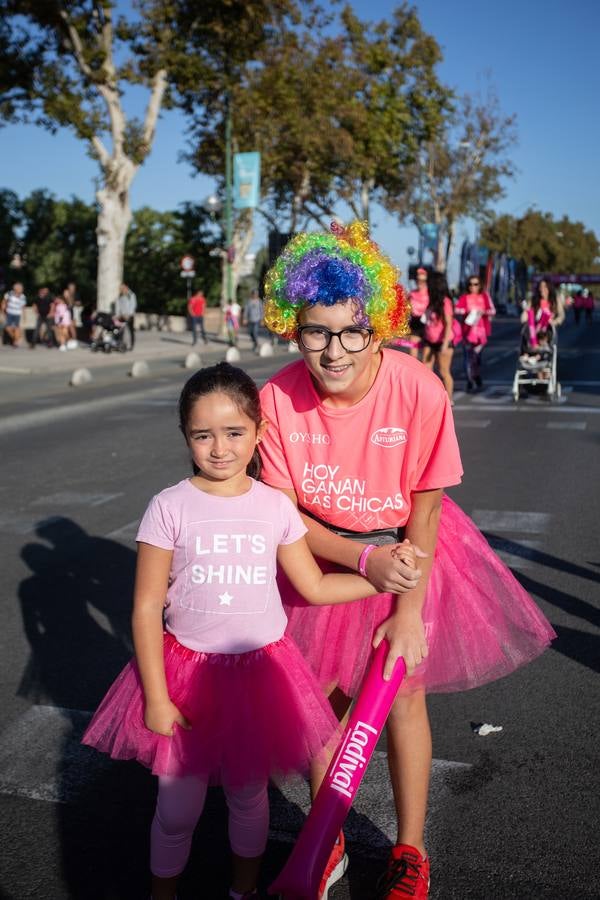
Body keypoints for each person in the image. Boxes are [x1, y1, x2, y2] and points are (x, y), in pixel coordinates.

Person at [259, 220, 555, 900]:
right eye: (315, 331)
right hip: (319, 556)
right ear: (291, 326)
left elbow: (425, 506)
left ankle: (410, 849)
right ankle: (324, 838)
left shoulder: (419, 388)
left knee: (403, 699)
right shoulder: (275, 398)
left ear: (381, 326)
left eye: (352, 332)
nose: (334, 351)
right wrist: (357, 562)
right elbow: (283, 517)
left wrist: (409, 610)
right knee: (323, 705)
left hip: (409, 554)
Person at [82, 362, 414, 900]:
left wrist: (381, 581)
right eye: (203, 435)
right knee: (176, 808)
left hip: (261, 674)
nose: (220, 448)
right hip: (185, 675)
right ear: (185, 436)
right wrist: (157, 699)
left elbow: (313, 586)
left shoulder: (275, 506)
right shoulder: (168, 507)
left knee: (248, 798)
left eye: (235, 433)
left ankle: (244, 891)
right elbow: (145, 609)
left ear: (259, 433)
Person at [454, 275, 496, 391]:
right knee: (467, 357)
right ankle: (469, 380)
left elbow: (493, 310)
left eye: (476, 284)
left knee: (476, 357)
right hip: (467, 333)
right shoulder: (464, 297)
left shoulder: (484, 297)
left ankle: (476, 375)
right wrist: (466, 311)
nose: (473, 287)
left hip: (481, 333)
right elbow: (456, 309)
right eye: (471, 284)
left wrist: (484, 312)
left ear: (480, 285)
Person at [421, 272, 457, 402]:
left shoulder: (446, 302)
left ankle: (449, 399)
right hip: (429, 340)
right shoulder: (431, 301)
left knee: (444, 372)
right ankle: (428, 398)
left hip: (443, 341)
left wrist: (445, 343)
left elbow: (448, 324)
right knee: (425, 370)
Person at [407, 266, 429, 358]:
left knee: (426, 360)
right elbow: (406, 309)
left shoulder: (430, 294)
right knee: (412, 357)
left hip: (428, 325)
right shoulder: (412, 294)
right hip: (415, 324)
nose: (419, 282)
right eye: (418, 280)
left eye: (422, 281)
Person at [3, 281, 27, 347]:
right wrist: (3, 310)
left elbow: (23, 307)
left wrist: (24, 316)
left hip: (17, 313)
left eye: (21, 289)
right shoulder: (9, 294)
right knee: (8, 328)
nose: (21, 290)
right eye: (20, 288)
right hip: (9, 312)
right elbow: (4, 302)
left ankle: (15, 342)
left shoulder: (23, 296)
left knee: (17, 327)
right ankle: (16, 338)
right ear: (15, 289)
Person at [114, 283, 137, 349]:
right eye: (120, 289)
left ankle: (131, 345)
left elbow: (133, 305)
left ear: (126, 288)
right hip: (122, 316)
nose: (121, 290)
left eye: (122, 288)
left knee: (130, 331)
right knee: (121, 331)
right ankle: (121, 344)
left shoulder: (131, 295)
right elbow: (118, 307)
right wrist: (117, 315)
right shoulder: (120, 296)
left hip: (129, 316)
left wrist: (129, 315)